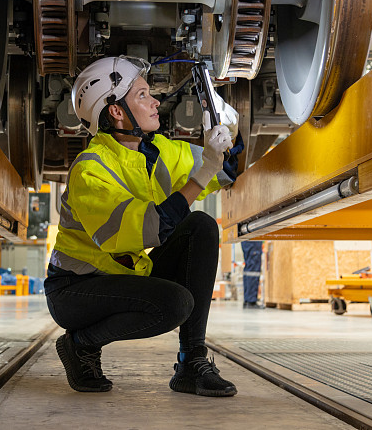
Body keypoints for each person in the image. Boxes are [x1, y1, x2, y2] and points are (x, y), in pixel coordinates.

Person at [45, 56, 243, 397]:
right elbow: (144, 230)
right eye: (142, 95)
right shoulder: (90, 169)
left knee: (201, 226)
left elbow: (224, 169)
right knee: (175, 303)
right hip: (75, 290)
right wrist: (203, 172)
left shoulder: (158, 152)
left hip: (125, 277)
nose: (155, 102)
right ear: (116, 111)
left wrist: (227, 128)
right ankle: (80, 344)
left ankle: (191, 363)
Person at [240, 241, 264, 309]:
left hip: (248, 240)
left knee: (249, 268)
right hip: (253, 239)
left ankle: (247, 300)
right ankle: (251, 301)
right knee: (253, 269)